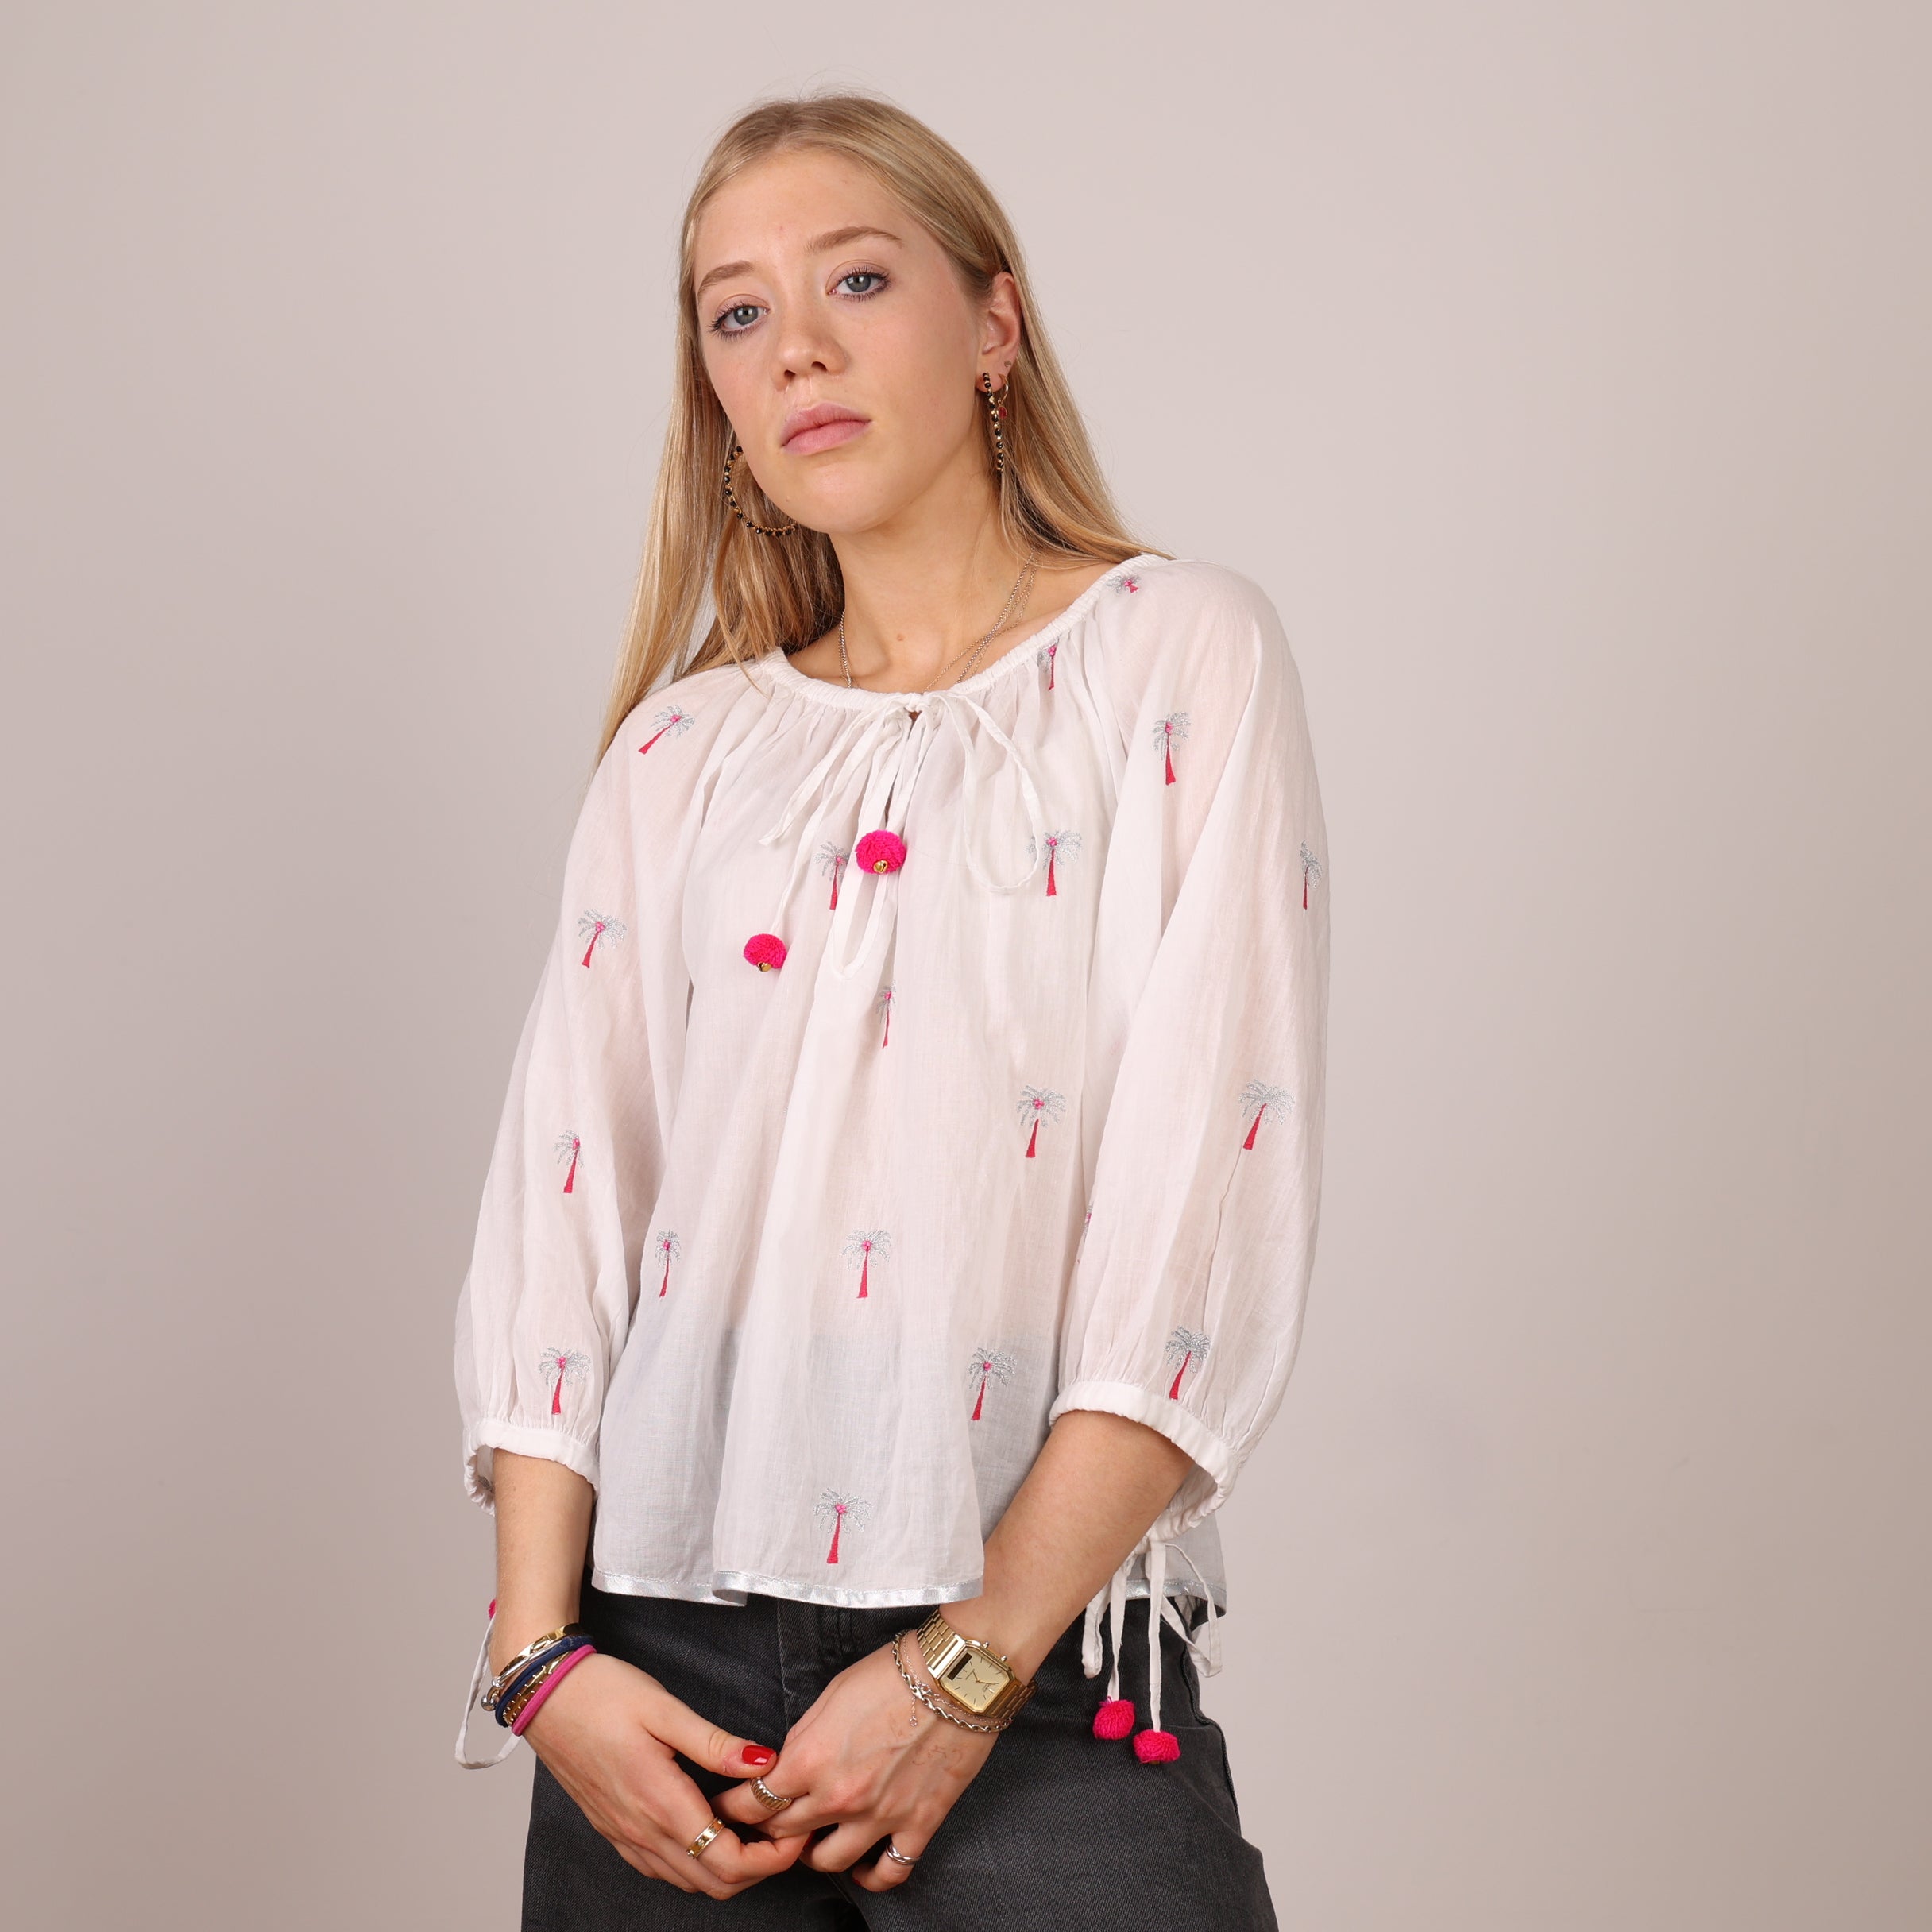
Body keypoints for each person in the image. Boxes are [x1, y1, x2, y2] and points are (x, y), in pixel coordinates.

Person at [452, 88, 1331, 1932]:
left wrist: (966, 1665)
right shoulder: (681, 750)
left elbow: (1201, 1217)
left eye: (855, 278)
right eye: (738, 312)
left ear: (995, 323)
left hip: (1036, 1653)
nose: (798, 349)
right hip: (650, 1675)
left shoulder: (1176, 655)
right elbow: (563, 1211)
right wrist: (541, 1663)